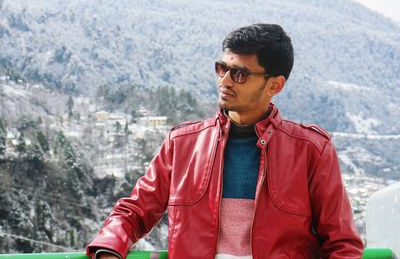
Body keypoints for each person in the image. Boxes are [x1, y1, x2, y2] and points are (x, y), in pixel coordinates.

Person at [86, 24, 364, 259]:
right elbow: (135, 211)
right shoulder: (182, 144)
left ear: (275, 85)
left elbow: (342, 244)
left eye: (240, 74)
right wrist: (110, 247)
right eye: (222, 68)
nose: (226, 81)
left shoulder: (311, 150)